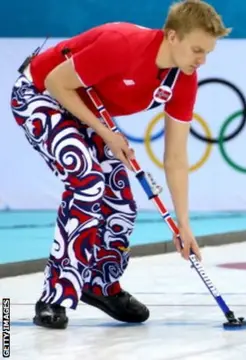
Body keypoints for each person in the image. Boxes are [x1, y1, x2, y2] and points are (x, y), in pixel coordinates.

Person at [9, 0, 230, 329]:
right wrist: (105, 132)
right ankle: (54, 295)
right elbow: (56, 82)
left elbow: (176, 157)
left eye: (207, 53)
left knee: (122, 204)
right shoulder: (122, 44)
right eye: (197, 50)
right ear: (172, 36)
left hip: (86, 110)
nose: (201, 60)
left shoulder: (184, 79)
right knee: (87, 181)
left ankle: (100, 285)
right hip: (40, 94)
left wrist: (184, 225)